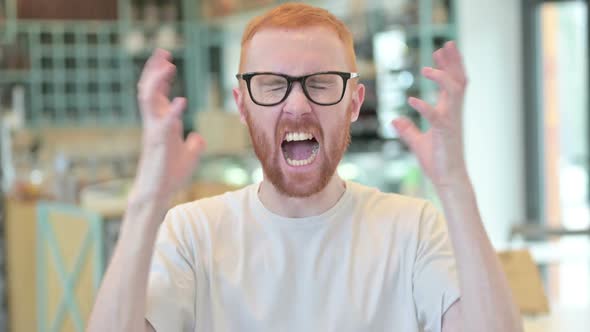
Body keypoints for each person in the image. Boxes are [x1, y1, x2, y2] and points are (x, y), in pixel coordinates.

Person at [88, 3, 522, 332]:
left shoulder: (414, 230)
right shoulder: (191, 233)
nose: (297, 105)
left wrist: (454, 186)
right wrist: (148, 197)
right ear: (242, 105)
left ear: (354, 103)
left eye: (320, 84)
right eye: (273, 85)